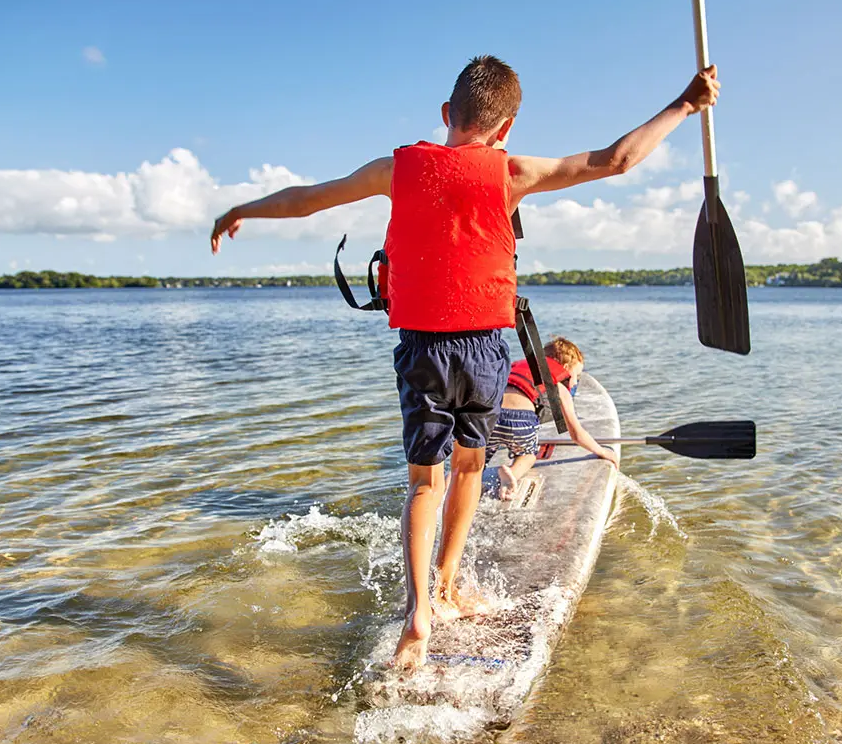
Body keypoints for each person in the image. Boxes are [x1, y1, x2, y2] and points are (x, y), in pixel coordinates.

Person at [210, 56, 721, 671]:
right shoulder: (512, 172)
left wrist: (242, 209)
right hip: (483, 350)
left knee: (422, 481)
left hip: (420, 347)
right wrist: (686, 104)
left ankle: (419, 609)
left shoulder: (394, 169)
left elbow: (308, 200)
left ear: (447, 115)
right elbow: (616, 159)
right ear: (505, 128)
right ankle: (451, 586)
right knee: (469, 470)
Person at [487, 336, 618, 501]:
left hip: (489, 415)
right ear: (565, 367)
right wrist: (603, 451)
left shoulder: (517, 368)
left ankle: (448, 487)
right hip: (520, 419)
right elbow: (576, 434)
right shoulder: (557, 385)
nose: (575, 381)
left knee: (472, 462)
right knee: (528, 455)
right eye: (576, 375)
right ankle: (511, 474)